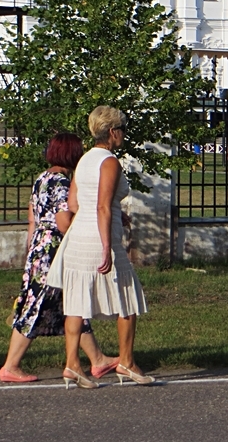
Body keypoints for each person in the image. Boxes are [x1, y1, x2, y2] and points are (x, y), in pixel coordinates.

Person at [0, 133, 118, 384]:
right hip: (55, 251)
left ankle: (97, 360)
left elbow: (33, 217)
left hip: (39, 250)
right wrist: (88, 228)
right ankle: (10, 365)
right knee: (37, 307)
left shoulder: (42, 179)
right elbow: (64, 222)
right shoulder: (62, 182)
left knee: (71, 306)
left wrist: (30, 250)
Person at [50, 106, 153, 388]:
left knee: (75, 303)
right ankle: (127, 362)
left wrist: (108, 217)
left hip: (77, 238)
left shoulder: (83, 160)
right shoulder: (109, 162)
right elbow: (103, 206)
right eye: (122, 129)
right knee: (128, 300)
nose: (124, 135)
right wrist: (108, 245)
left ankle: (72, 364)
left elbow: (74, 203)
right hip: (99, 237)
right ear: (112, 132)